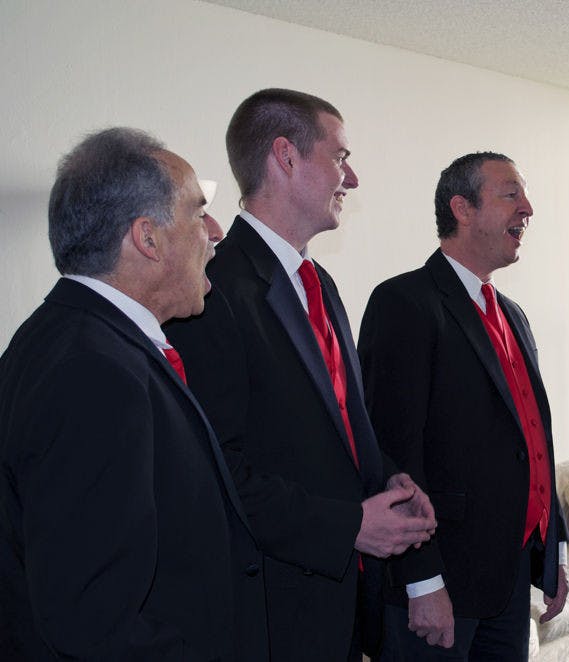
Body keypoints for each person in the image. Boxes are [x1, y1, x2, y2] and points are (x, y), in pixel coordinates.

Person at [167, 88, 436, 661]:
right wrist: (347, 528)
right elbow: (218, 473)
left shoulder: (321, 285)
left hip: (343, 609)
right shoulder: (212, 292)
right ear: (286, 157)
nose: (353, 177)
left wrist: (386, 482)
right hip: (271, 615)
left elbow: (337, 428)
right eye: (340, 156)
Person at [0, 128, 268, 660]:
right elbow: (94, 620)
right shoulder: (93, 372)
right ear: (147, 239)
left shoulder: (74, 339)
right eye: (197, 212)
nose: (214, 230)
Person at [357, 152, 569, 660]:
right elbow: (393, 454)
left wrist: (552, 550)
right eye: (511, 194)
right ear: (463, 208)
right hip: (440, 585)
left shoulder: (511, 314)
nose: (529, 209)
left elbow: (532, 440)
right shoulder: (404, 302)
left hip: (510, 579)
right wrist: (421, 581)